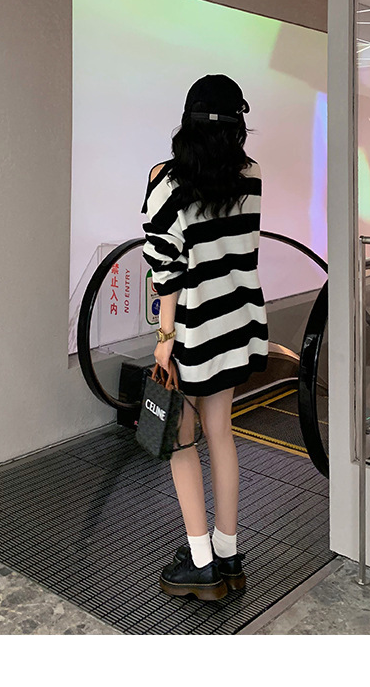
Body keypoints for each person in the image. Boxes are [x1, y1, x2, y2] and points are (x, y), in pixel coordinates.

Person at [140, 74, 269, 601]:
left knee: (181, 439)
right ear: (237, 123)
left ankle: (200, 564)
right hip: (237, 322)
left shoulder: (166, 180)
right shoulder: (251, 175)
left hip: (193, 329)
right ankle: (228, 553)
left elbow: (165, 270)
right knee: (222, 432)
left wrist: (164, 336)